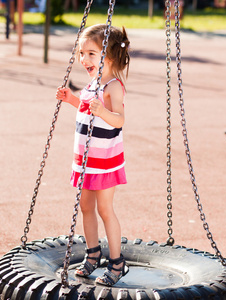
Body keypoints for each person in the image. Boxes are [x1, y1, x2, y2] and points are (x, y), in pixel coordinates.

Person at [55, 24, 130, 286]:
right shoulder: (92, 84)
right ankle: (93, 254)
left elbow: (119, 120)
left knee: (105, 210)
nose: (83, 59)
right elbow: (87, 108)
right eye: (81, 54)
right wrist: (72, 100)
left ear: (107, 57)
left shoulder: (113, 86)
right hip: (86, 161)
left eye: (90, 54)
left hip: (105, 162)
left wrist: (103, 112)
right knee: (85, 206)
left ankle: (117, 263)